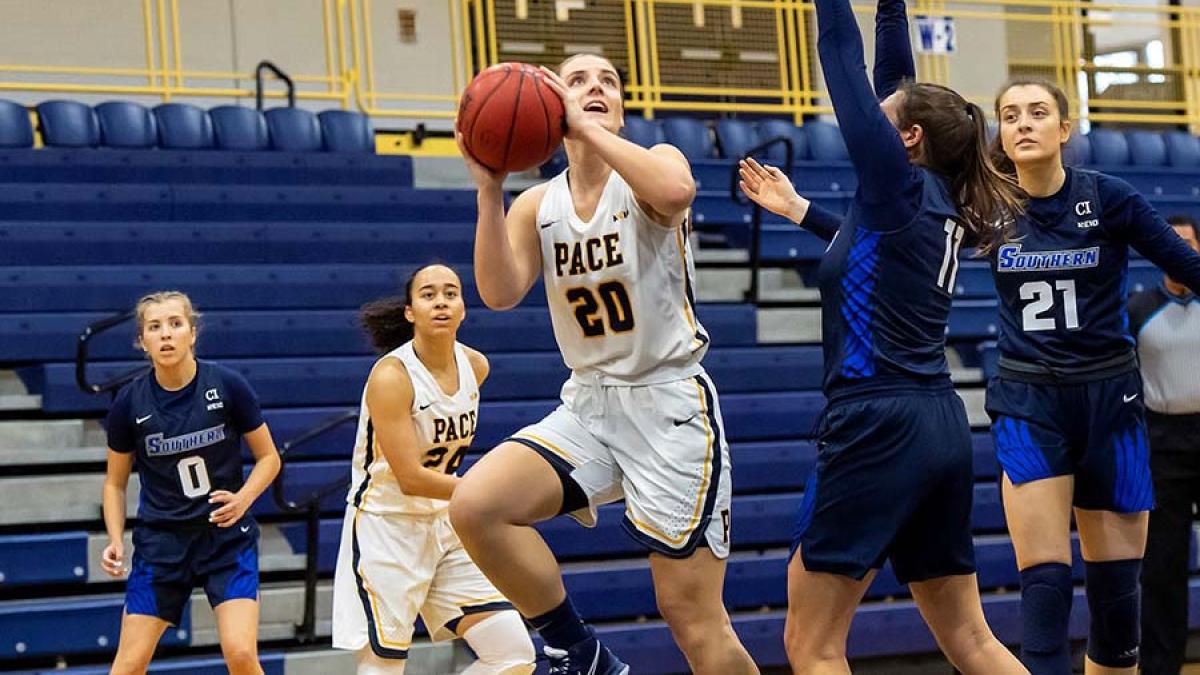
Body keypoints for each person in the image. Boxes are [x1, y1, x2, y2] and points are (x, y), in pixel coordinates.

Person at [738, 0, 1028, 671]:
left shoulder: (896, 184)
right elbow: (897, 75)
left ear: (908, 140)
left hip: (877, 420)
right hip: (938, 422)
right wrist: (800, 211)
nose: (879, 107)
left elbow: (841, 51)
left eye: (890, 112)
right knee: (971, 639)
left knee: (810, 643)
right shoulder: (936, 199)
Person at [448, 53, 758, 675]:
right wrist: (489, 186)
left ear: (619, 109)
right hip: (590, 402)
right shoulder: (537, 203)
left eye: (608, 83)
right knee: (476, 505)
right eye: (577, 81)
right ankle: (582, 655)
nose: (594, 88)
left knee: (693, 621)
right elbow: (499, 292)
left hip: (669, 406)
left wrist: (583, 127)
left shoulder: (657, 163)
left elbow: (677, 191)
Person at [987, 80, 1200, 673]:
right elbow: (887, 240)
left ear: (1064, 127)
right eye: (1009, 115)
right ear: (1000, 136)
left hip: (1110, 401)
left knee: (1116, 614)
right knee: (1046, 596)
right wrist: (802, 212)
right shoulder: (985, 202)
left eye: (1037, 112)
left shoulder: (1110, 198)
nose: (1023, 124)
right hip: (1031, 401)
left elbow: (1189, 267)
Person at [331, 263, 535, 675]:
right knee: (382, 668)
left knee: (514, 656)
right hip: (386, 529)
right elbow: (410, 478)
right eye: (428, 294)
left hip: (445, 524)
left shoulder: (475, 366)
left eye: (450, 293)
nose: (440, 301)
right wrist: (488, 493)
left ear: (463, 309)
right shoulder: (391, 376)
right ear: (410, 312)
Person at [101, 291, 281, 675]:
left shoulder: (227, 385)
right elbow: (114, 484)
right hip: (162, 543)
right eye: (154, 327)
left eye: (175, 324)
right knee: (128, 666)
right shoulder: (129, 404)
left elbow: (270, 458)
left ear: (192, 333)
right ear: (142, 341)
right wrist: (115, 538)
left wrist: (244, 498)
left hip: (225, 539)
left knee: (241, 653)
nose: (166, 334)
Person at [1127, 215, 1200, 675]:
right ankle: (1160, 668)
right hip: (1163, 446)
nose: (1179, 252)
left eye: (1187, 245)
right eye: (1170, 244)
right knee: (1163, 570)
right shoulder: (1137, 308)